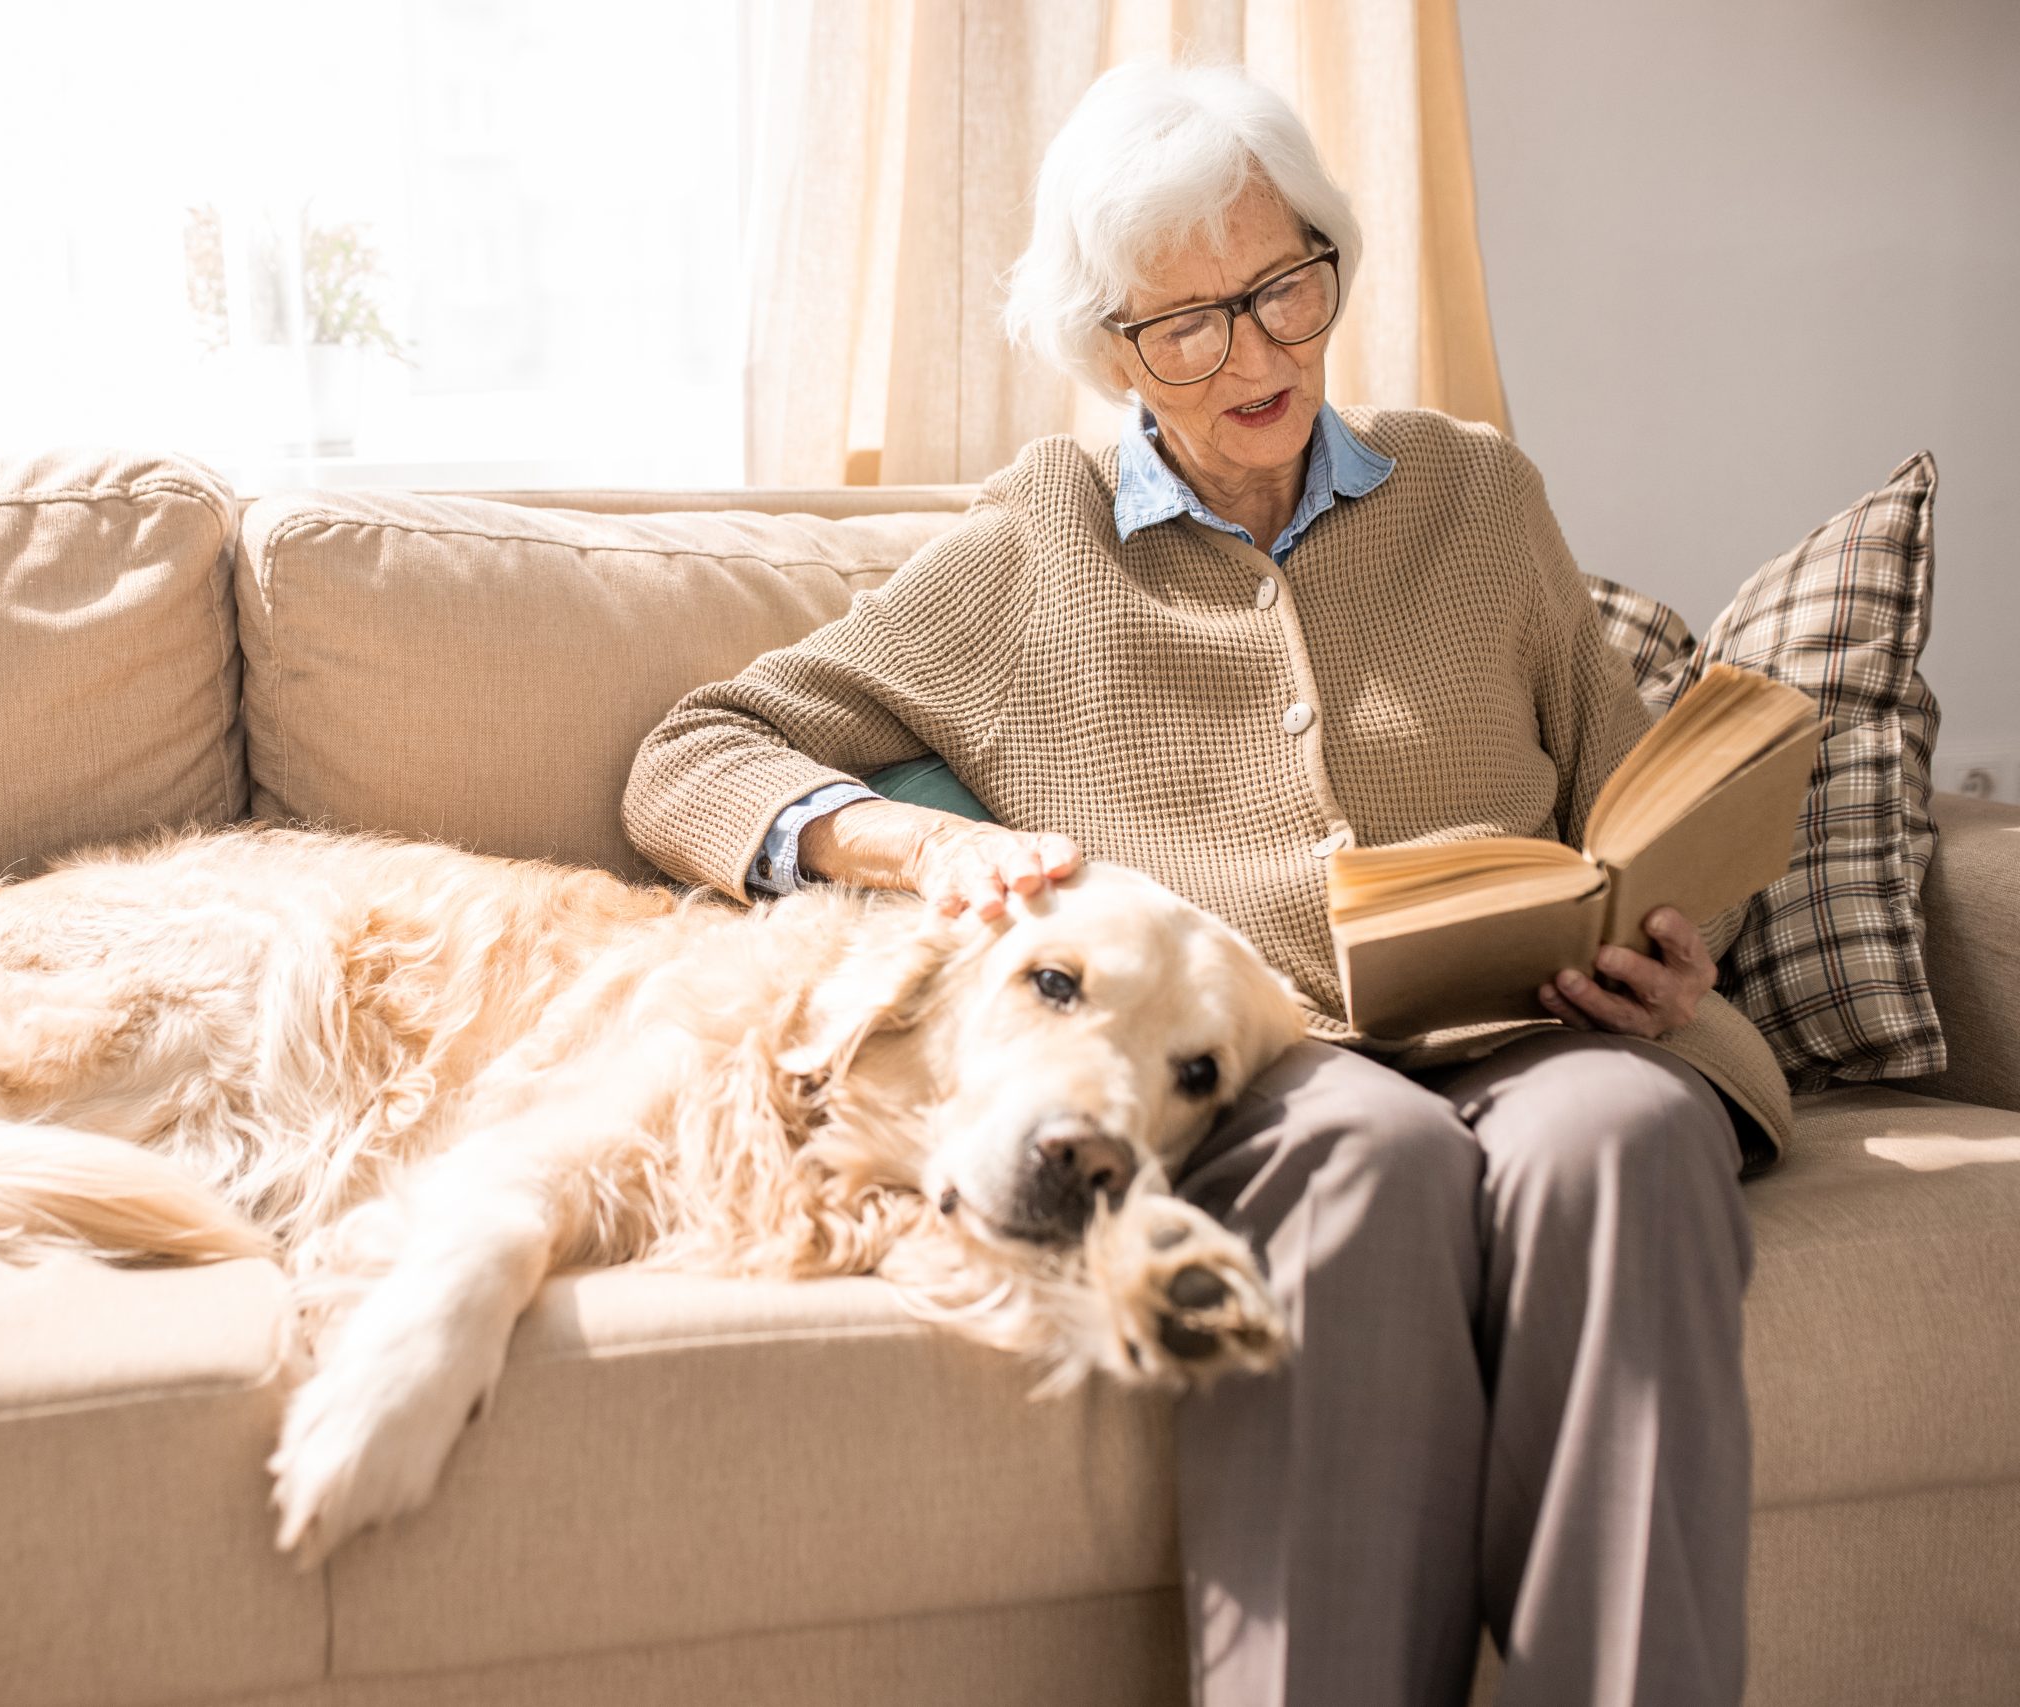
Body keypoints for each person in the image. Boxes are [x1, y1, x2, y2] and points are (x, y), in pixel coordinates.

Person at [620, 58, 1781, 1707]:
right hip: (1267, 1063)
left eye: (1286, 286)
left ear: (1330, 264)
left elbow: (1631, 792)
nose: (1258, 352)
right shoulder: (1036, 547)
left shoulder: (1477, 493)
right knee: (1369, 1161)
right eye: (1191, 322)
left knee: (1640, 1133)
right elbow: (698, 750)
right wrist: (920, 843)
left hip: (1536, 1029)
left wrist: (1675, 949)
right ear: (1110, 352)